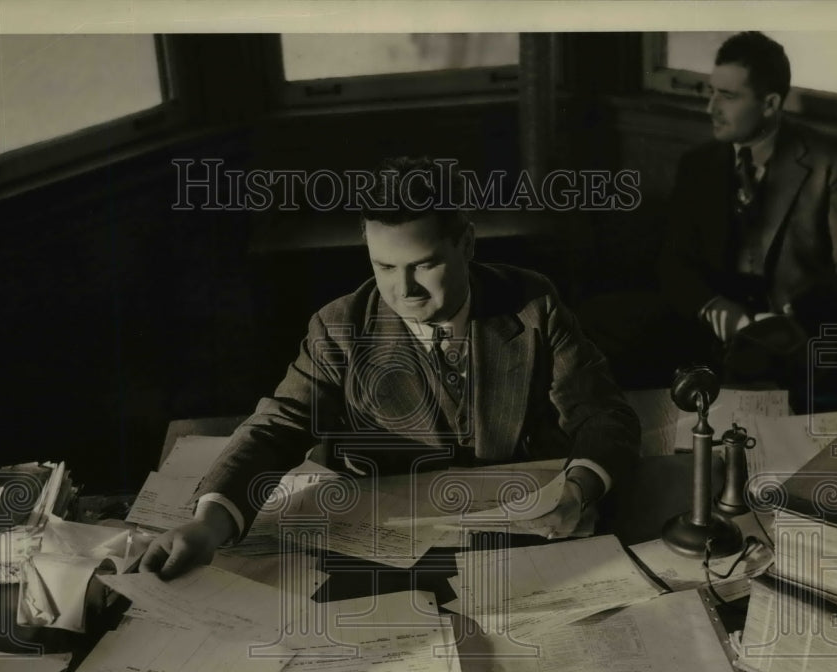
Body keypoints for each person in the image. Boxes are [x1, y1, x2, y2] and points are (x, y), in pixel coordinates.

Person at [142, 157, 641, 579]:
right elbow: (277, 427)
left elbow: (603, 416)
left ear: (466, 244)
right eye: (384, 267)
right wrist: (209, 523)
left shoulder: (533, 304)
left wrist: (578, 491)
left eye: (424, 265)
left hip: (525, 543)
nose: (405, 290)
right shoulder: (340, 326)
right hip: (390, 555)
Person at [657, 31, 837, 399]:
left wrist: (787, 320)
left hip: (800, 342)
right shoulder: (698, 165)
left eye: (728, 96)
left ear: (769, 104)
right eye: (711, 91)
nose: (711, 108)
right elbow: (674, 263)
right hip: (715, 339)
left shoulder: (831, 161)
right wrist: (711, 305)